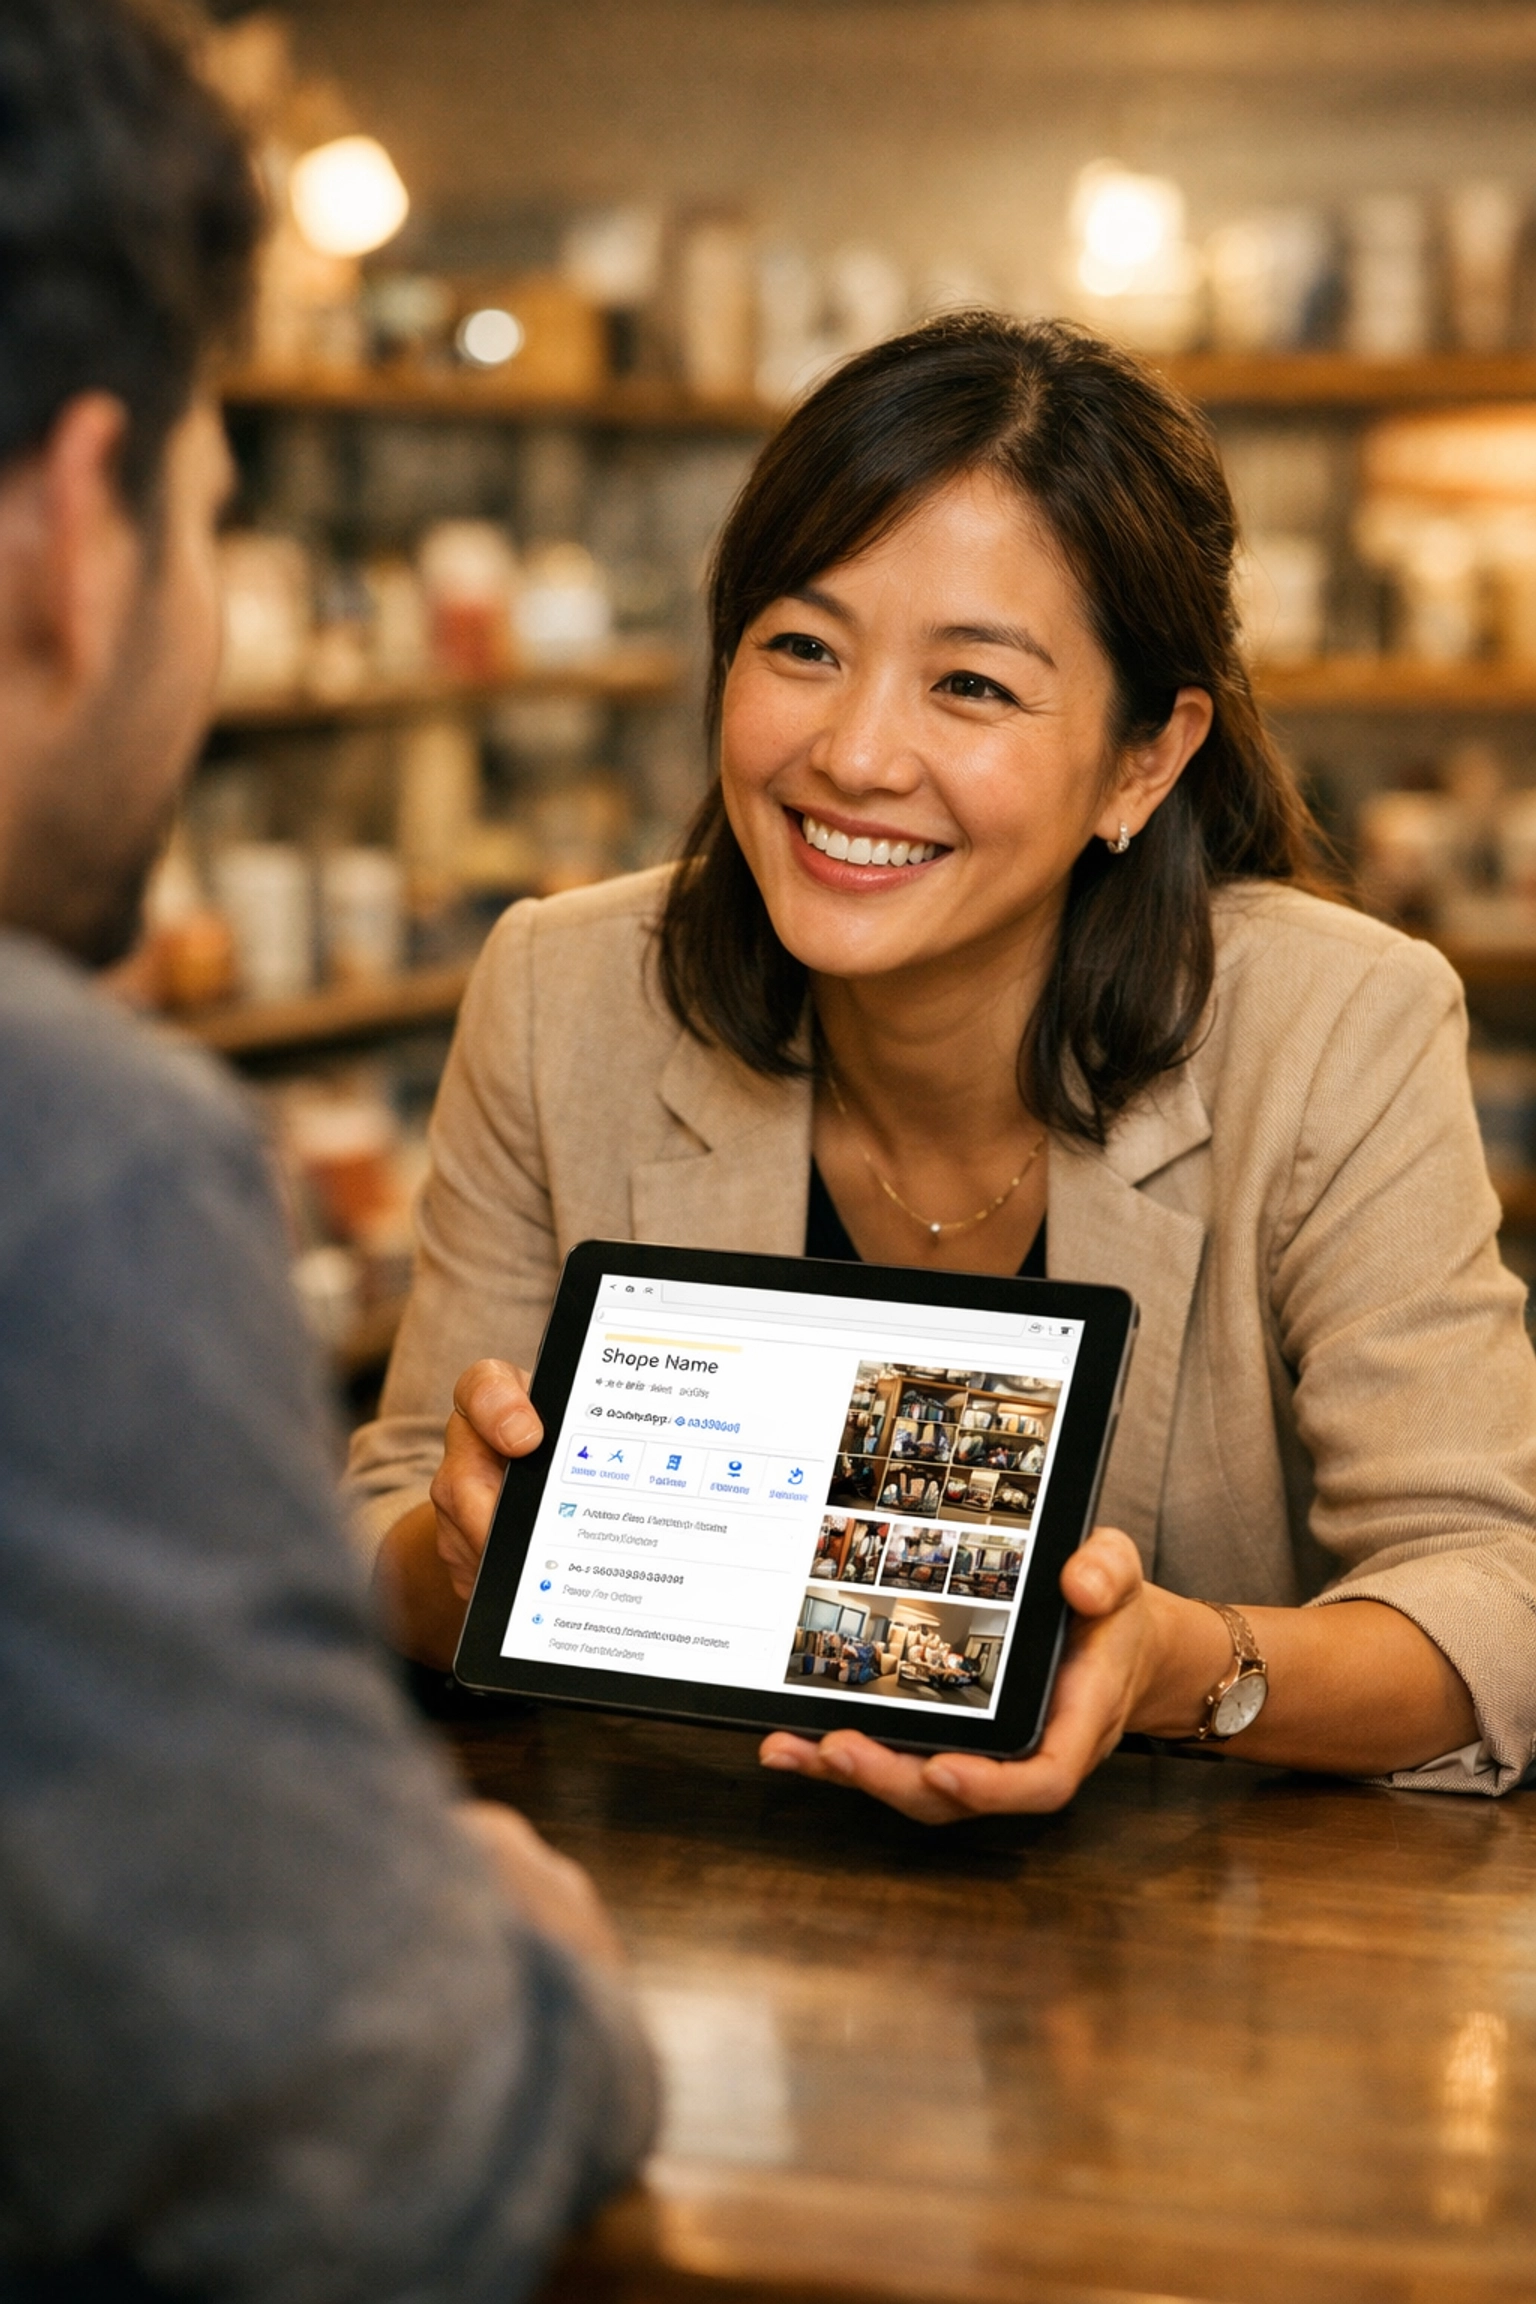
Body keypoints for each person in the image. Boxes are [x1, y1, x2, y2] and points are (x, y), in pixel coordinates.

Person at [348, 312, 1536, 1821]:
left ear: (1144, 760)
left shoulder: (1335, 1026)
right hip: (677, 1896)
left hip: (1180, 1971)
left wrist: (1179, 1667)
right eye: (802, 647)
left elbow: (1498, 1600)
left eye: (969, 686)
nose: (852, 753)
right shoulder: (562, 989)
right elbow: (378, 1511)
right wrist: (455, 1555)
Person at [0, 2, 652, 2291]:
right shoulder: (64, 1156)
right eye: (210, 513)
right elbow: (375, 2156)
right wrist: (518, 1954)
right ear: (82, 531)